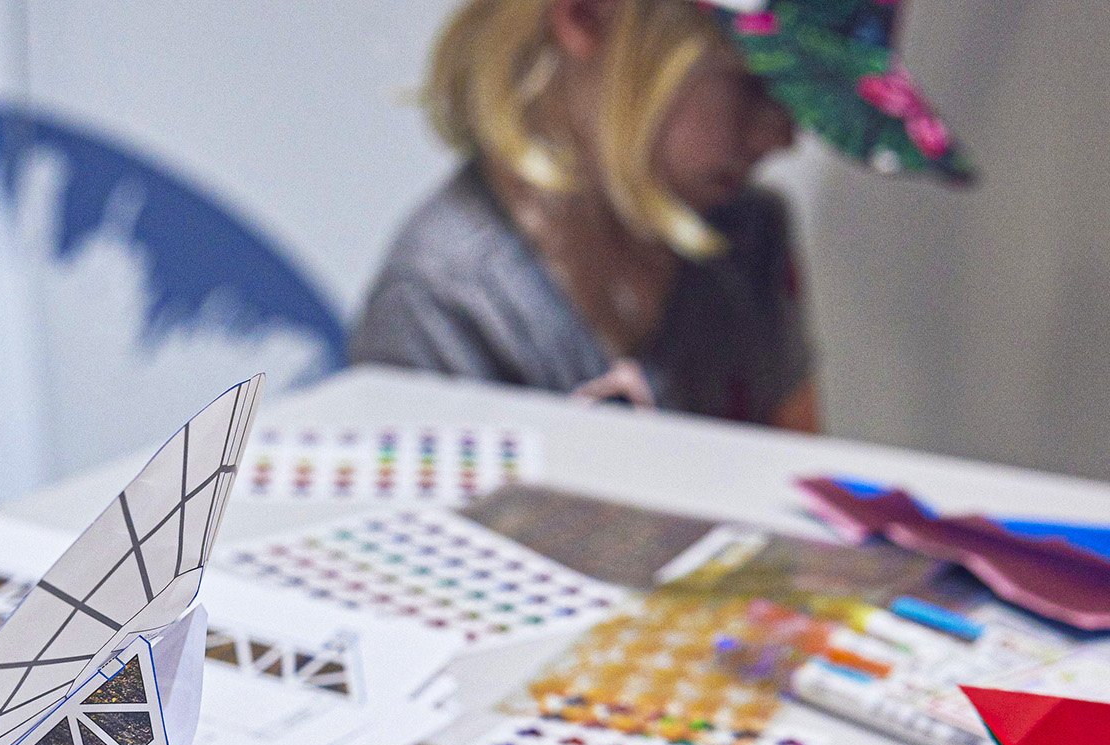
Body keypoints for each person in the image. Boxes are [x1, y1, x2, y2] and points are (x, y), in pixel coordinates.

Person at [349, 0, 972, 430]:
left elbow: (799, 507)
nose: (785, 137)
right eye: (755, 85)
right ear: (587, 14)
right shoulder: (442, 306)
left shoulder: (748, 238)